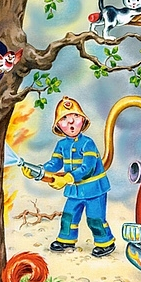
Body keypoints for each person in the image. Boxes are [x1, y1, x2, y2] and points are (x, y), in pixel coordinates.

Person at [24, 96, 116, 258]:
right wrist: (39, 171)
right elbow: (55, 163)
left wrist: (66, 178)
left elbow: (87, 168)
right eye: (64, 119)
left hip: (94, 189)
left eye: (75, 116)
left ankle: (105, 242)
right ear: (58, 125)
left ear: (83, 120)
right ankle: (66, 240)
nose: (71, 122)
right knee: (69, 215)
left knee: (95, 218)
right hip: (75, 190)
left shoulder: (88, 143)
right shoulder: (61, 145)